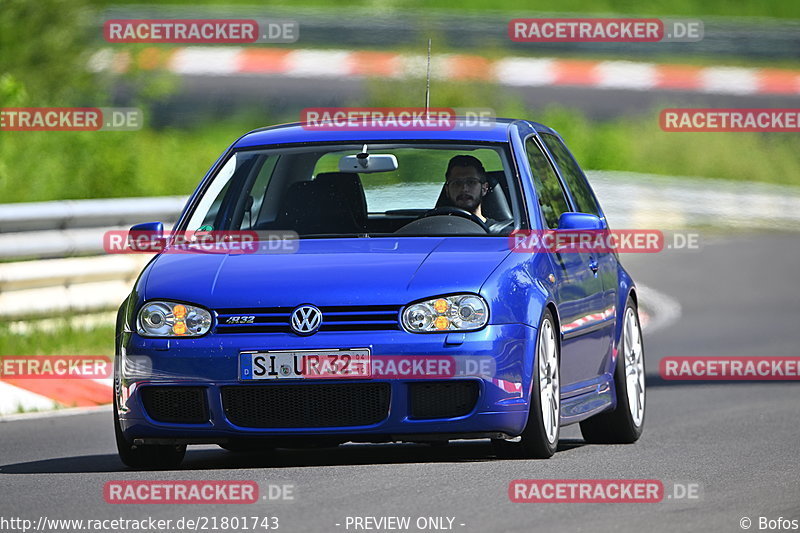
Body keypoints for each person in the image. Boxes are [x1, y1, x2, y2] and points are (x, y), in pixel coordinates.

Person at [443, 155, 500, 228]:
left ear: (484, 188)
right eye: (457, 183)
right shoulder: (433, 230)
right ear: (447, 190)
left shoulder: (507, 235)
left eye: (471, 182)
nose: (464, 189)